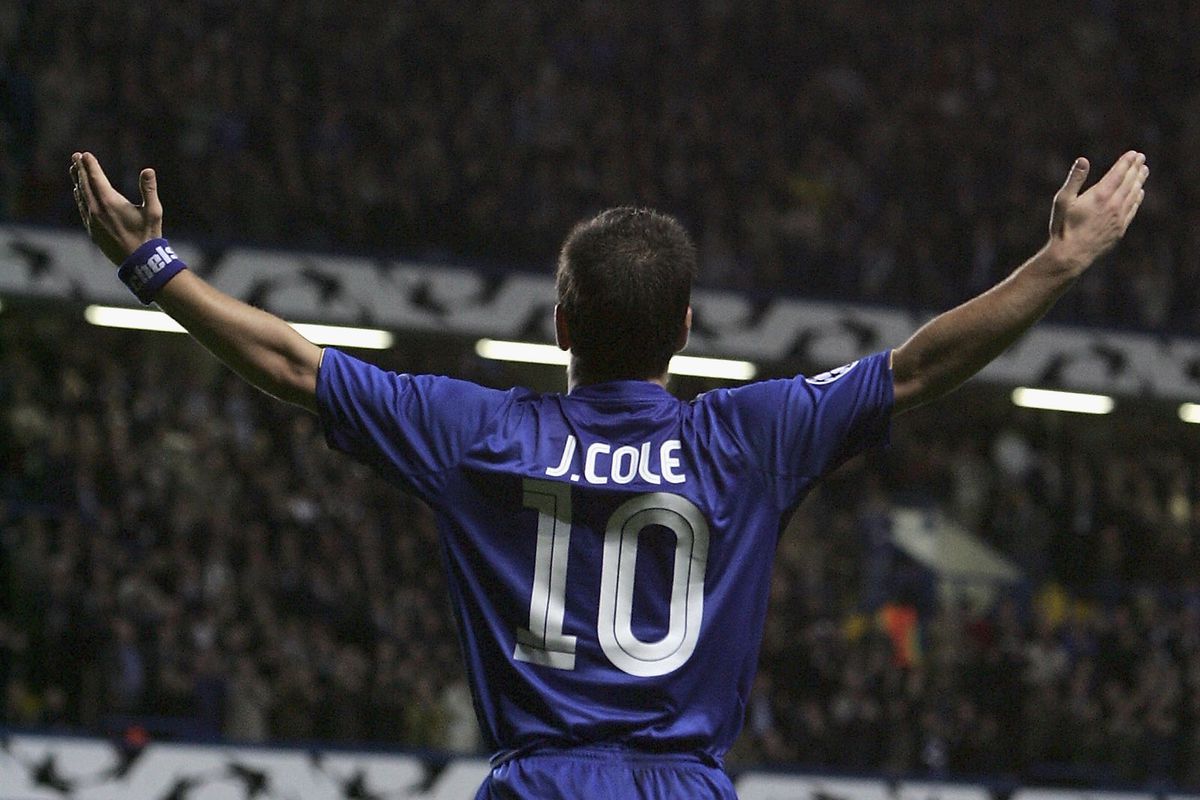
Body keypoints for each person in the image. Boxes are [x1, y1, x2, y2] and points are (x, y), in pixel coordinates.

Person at [69, 148, 1147, 798]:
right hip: (686, 784)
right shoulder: (750, 436)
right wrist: (1059, 261)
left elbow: (294, 365)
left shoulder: (477, 432)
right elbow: (919, 368)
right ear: (684, 328)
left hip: (539, 777)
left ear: (560, 322)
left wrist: (150, 264)